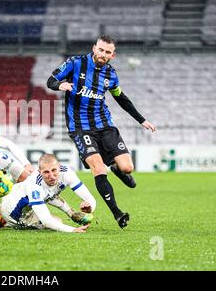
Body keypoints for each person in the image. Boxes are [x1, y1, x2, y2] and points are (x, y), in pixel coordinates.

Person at [46, 35, 156, 228]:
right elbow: (51, 80)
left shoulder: (111, 75)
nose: (103, 54)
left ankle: (114, 166)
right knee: (98, 167)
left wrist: (142, 119)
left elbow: (121, 98)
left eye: (107, 52)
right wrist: (59, 85)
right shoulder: (75, 63)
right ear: (94, 48)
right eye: (100, 50)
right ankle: (117, 213)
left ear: (112, 55)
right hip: (80, 128)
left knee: (127, 168)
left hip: (104, 125)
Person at [0, 154, 96, 233]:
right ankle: (6, 222)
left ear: (59, 167)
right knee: (56, 222)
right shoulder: (35, 186)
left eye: (54, 170)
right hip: (16, 213)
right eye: (46, 172)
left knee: (2, 208)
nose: (51, 175)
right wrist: (72, 230)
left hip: (15, 195)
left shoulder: (68, 173)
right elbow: (46, 220)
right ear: (39, 172)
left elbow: (89, 198)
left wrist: (81, 210)